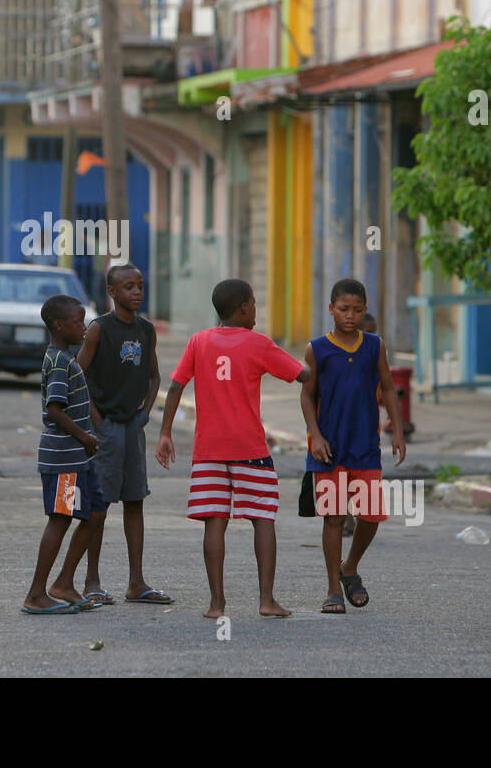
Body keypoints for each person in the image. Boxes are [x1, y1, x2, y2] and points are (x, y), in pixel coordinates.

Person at [156, 278, 307, 619]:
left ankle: (216, 604)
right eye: (254, 304)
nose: (256, 310)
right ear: (243, 307)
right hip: (250, 448)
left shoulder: (198, 341)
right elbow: (301, 374)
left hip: (208, 450)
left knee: (214, 524)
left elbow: (176, 385)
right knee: (262, 518)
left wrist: (165, 431)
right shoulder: (259, 344)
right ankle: (266, 600)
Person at [300, 278, 407, 614]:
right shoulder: (316, 348)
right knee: (333, 519)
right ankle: (333, 588)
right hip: (329, 449)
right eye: (343, 309)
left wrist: (398, 431)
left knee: (371, 516)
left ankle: (350, 567)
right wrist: (315, 436)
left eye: (357, 309)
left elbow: (388, 388)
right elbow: (306, 394)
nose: (350, 315)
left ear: (365, 310)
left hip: (365, 446)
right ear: (331, 309)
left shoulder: (374, 345)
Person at [76, 263, 169, 606]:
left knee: (134, 500)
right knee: (99, 505)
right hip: (107, 428)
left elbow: (155, 376)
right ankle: (92, 581)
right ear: (112, 292)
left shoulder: (146, 330)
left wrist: (145, 413)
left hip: (134, 427)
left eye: (140, 286)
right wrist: (96, 419)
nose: (137, 292)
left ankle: (137, 582)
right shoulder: (100, 328)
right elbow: (78, 375)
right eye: (128, 287)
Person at [23, 294, 107, 615]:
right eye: (77, 322)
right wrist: (84, 436)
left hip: (79, 460)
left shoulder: (67, 357)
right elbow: (54, 410)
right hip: (64, 460)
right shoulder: (58, 361)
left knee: (95, 513)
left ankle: (64, 583)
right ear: (59, 325)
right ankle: (36, 593)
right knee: (60, 519)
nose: (84, 327)